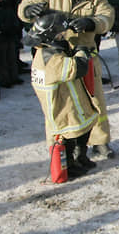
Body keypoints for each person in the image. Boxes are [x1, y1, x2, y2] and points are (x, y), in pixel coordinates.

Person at [19, 0, 116, 160]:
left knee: (94, 98)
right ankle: (58, 147)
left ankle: (100, 141)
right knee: (56, 104)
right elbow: (24, 7)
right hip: (54, 55)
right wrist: (29, 11)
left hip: (84, 53)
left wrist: (91, 22)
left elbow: (107, 18)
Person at [24, 12, 99, 177]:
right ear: (50, 36)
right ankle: (70, 165)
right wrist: (81, 53)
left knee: (84, 128)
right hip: (62, 106)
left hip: (70, 100)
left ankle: (81, 156)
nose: (63, 36)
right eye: (60, 33)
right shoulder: (50, 58)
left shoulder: (48, 50)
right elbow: (76, 68)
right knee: (69, 137)